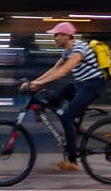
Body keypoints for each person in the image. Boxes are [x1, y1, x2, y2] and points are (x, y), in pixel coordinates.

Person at [22, 21, 106, 171]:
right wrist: (35, 82)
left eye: (57, 35)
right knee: (51, 98)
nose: (54, 38)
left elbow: (63, 72)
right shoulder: (67, 51)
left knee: (66, 116)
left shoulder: (80, 48)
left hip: (92, 85)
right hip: (79, 84)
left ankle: (72, 161)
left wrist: (37, 84)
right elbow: (55, 69)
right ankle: (76, 126)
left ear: (67, 36)